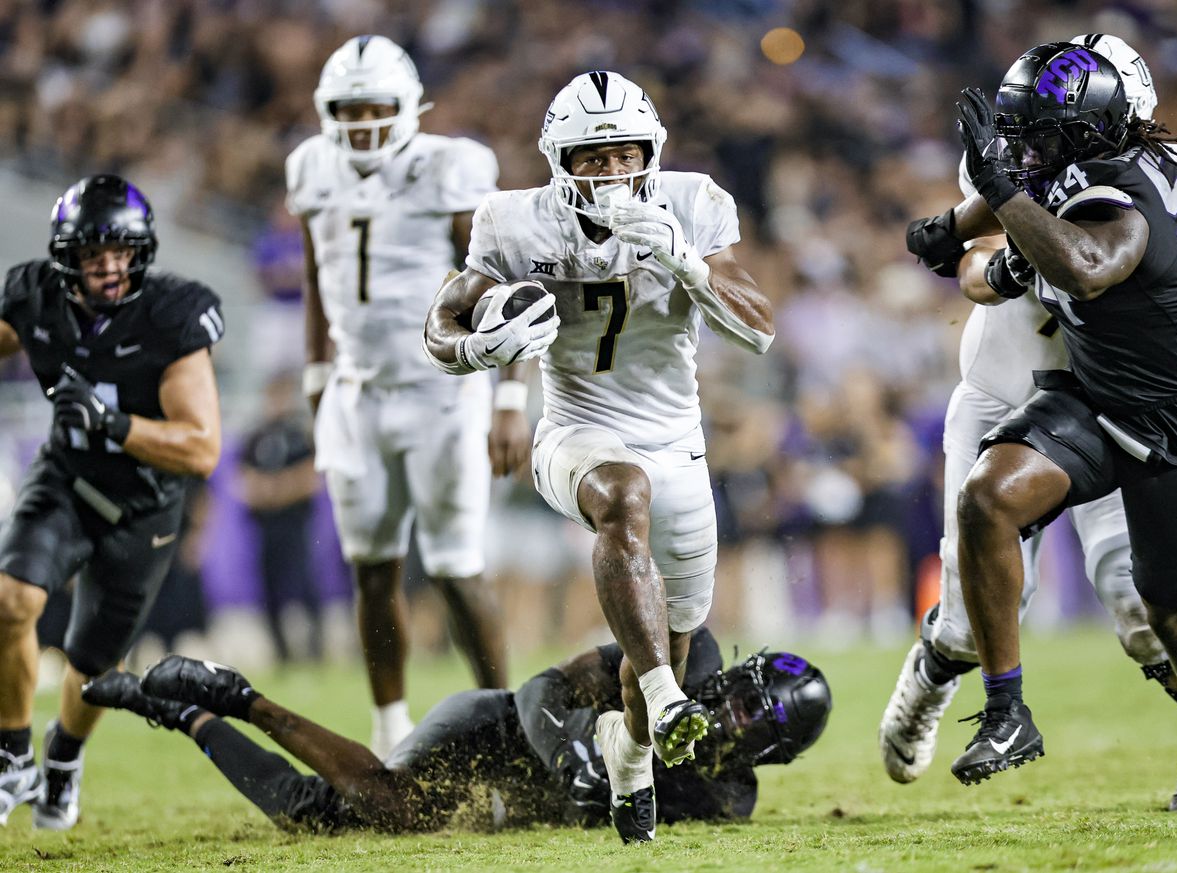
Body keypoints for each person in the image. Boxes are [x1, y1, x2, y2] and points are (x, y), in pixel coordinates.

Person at [882, 35, 1177, 805]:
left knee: (1151, 606)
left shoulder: (1140, 176)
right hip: (1026, 389)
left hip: (1138, 394)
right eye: (1023, 130)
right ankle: (958, 680)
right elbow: (979, 254)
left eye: (1043, 129)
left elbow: (1081, 250)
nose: (1024, 144)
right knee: (978, 581)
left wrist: (1006, 235)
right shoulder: (1024, 159)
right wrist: (968, 237)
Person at [423, 70, 774, 842]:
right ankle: (662, 693)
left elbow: (760, 326)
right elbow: (443, 320)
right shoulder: (515, 222)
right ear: (560, 161)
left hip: (678, 442)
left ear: (652, 153)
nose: (613, 172)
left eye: (626, 154)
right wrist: (477, 348)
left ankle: (632, 742)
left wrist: (689, 261)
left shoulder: (692, 203)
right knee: (622, 493)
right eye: (593, 156)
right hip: (577, 432)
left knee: (673, 640)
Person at [288, 35, 529, 755]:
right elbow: (315, 277)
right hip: (358, 390)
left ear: (409, 108)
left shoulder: (449, 165)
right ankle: (390, 730)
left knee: (456, 567)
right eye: (348, 110)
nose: (362, 125)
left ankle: (505, 730)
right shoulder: (310, 166)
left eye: (376, 109)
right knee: (370, 567)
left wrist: (510, 396)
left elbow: (501, 279)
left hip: (442, 389)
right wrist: (316, 372)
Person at [80, 628, 831, 835]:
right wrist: (569, 746)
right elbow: (542, 684)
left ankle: (189, 711)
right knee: (389, 806)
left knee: (322, 817)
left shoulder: (726, 797)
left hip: (522, 792)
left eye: (752, 723)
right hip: (500, 729)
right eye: (740, 696)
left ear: (773, 755)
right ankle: (244, 699)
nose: (731, 715)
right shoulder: (679, 653)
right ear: (733, 672)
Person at [0, 175, 224, 829]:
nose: (110, 265)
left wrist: (112, 422)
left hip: (142, 505)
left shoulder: (171, 314)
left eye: (122, 251)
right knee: (12, 599)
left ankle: (63, 756)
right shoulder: (35, 297)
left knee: (93, 668)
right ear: (65, 255)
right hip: (65, 479)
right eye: (94, 252)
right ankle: (12, 756)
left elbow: (202, 447)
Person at [237, 372, 323, 663]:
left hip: (295, 526)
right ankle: (282, 652)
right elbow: (242, 482)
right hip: (266, 529)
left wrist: (280, 488)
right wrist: (267, 490)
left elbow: (313, 477)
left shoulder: (300, 434)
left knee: (305, 587)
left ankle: (315, 648)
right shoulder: (257, 435)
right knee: (270, 592)